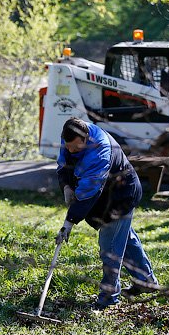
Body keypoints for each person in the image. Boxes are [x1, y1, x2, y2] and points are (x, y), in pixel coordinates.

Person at [56, 117, 159, 310]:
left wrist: (70, 221)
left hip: (120, 197)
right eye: (68, 146)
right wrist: (66, 186)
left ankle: (108, 297)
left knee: (110, 247)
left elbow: (89, 192)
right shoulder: (70, 136)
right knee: (125, 240)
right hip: (104, 196)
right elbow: (63, 165)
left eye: (75, 148)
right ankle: (147, 283)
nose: (70, 150)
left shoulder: (100, 151)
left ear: (86, 139)